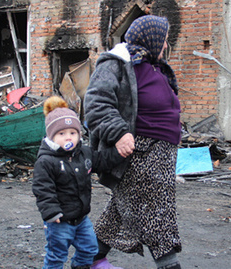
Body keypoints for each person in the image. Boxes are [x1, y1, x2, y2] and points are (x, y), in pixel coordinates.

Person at [84, 15, 182, 269]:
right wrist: (119, 132)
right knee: (156, 213)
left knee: (119, 212)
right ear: (150, 38)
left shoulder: (153, 66)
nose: (165, 45)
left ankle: (87, 261)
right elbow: (96, 104)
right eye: (163, 39)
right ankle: (169, 264)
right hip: (139, 153)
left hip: (161, 154)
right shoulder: (117, 64)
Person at [32, 96, 125, 269]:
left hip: (81, 218)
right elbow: (43, 189)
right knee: (57, 255)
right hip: (59, 221)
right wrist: (51, 212)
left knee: (90, 249)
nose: (68, 138)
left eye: (73, 133)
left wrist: (120, 153)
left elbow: (102, 160)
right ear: (51, 136)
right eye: (62, 134)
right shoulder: (46, 161)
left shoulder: (84, 153)